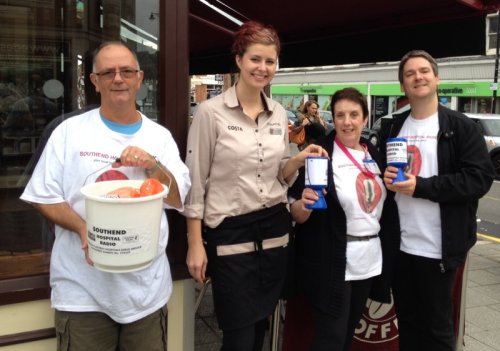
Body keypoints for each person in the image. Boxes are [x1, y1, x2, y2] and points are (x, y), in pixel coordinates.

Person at [20, 41, 191, 351]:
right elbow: (41, 195)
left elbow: (178, 198)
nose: (118, 78)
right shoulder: (69, 132)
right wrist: (83, 229)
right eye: (108, 72)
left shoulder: (159, 137)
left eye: (126, 71)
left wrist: (153, 165)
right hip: (83, 292)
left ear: (140, 79)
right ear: (94, 81)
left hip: (145, 293)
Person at [183, 21, 327, 351]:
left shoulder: (278, 113)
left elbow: (278, 173)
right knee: (238, 330)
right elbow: (195, 180)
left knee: (260, 324)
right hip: (230, 234)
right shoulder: (210, 112)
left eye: (270, 61)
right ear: (238, 60)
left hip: (275, 229)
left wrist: (298, 159)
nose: (263, 68)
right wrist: (195, 242)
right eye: (256, 59)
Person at [381, 50, 495, 351]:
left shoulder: (461, 127)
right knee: (407, 325)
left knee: (438, 331)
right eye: (410, 74)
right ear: (403, 85)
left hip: (437, 249)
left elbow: (478, 180)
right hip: (401, 247)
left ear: (436, 78)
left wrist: (422, 186)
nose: (418, 77)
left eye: (424, 71)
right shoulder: (393, 126)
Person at [288, 87, 399, 351]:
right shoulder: (321, 153)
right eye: (340, 115)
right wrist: (304, 205)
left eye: (353, 114)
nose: (347, 122)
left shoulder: (375, 154)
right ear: (333, 118)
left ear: (364, 118)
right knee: (331, 339)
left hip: (368, 259)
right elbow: (295, 211)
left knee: (347, 335)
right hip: (332, 260)